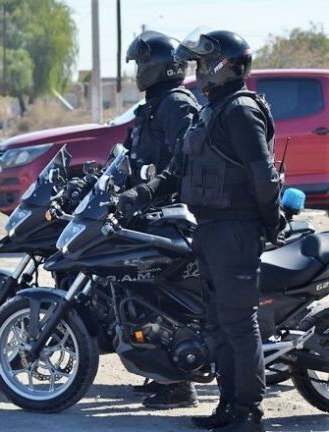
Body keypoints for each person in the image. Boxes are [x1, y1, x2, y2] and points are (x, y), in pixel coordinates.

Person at [118, 29, 283, 432]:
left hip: (234, 230)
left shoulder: (241, 110)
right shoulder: (212, 110)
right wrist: (137, 195)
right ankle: (227, 407)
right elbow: (176, 171)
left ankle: (248, 413)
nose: (199, 73)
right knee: (219, 324)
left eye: (204, 65)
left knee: (241, 325)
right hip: (208, 230)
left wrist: (269, 222)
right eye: (196, 65)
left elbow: (263, 178)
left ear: (225, 66)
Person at [123, 31, 202, 410]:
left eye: (141, 63)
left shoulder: (176, 104)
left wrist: (152, 190)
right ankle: (159, 373)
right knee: (144, 296)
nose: (138, 71)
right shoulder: (154, 104)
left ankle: (179, 385)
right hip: (150, 212)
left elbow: (182, 161)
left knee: (167, 298)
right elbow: (132, 156)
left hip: (172, 216)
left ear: (157, 65)